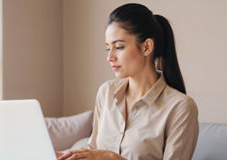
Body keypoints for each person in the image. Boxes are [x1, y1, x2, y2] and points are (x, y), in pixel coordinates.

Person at [56, 3, 199, 160]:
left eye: (119, 47)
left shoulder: (181, 107)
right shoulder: (106, 92)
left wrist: (112, 157)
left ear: (146, 47)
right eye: (107, 48)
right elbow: (94, 149)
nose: (110, 57)